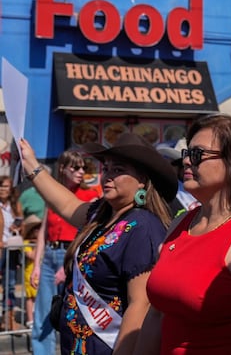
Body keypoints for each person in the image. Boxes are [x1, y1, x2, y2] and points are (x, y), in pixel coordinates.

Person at [20, 133, 178, 355]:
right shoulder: (101, 215)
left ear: (142, 179)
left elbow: (140, 305)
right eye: (107, 168)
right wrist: (32, 165)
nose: (107, 176)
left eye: (118, 170)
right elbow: (67, 204)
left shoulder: (143, 228)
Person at [137, 114, 231, 354]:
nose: (186, 162)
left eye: (197, 154)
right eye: (186, 154)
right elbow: (157, 314)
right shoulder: (182, 221)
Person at [28, 150, 100, 354]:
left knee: (73, 315)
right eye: (75, 167)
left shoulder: (90, 196)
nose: (80, 171)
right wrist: (37, 265)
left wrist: (68, 264)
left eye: (83, 168)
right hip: (50, 254)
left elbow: (89, 234)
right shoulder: (54, 194)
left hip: (73, 256)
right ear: (63, 168)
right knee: (43, 316)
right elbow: (43, 231)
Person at [0, 175, 23, 331]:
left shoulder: (15, 206)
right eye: (1, 186)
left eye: (6, 186)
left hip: (12, 250)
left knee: (10, 286)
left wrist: (18, 228)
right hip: (0, 249)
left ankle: (8, 319)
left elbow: (22, 222)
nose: (3, 189)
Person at [22, 213, 42, 329]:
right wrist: (37, 244)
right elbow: (33, 256)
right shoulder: (26, 243)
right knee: (30, 297)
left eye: (39, 229)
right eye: (35, 229)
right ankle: (30, 319)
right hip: (30, 272)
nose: (37, 231)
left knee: (40, 297)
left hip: (40, 272)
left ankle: (38, 318)